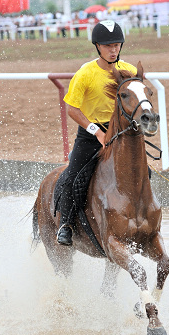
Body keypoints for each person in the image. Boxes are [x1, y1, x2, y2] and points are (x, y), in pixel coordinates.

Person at [57, 20, 137, 246]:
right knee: (73, 177)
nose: (113, 50)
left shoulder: (129, 71)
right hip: (91, 133)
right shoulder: (85, 73)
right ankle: (66, 225)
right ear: (97, 47)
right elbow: (72, 108)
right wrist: (97, 132)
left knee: (143, 173)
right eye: (107, 46)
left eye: (117, 45)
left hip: (121, 133)